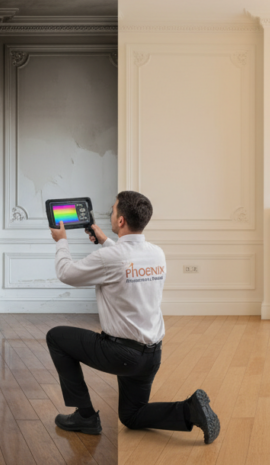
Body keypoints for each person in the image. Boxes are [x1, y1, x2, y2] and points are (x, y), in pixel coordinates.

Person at [45, 190, 220, 444]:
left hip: (122, 355)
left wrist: (61, 241)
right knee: (131, 415)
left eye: (114, 210)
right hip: (152, 354)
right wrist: (106, 241)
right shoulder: (157, 253)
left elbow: (66, 273)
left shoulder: (111, 257)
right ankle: (190, 409)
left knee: (56, 337)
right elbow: (126, 261)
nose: (111, 213)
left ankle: (84, 416)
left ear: (121, 221)